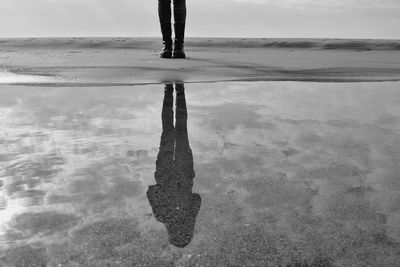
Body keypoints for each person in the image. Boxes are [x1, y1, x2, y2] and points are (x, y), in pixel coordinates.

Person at [147, 83, 201, 248]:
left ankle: (179, 91)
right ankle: (169, 90)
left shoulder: (188, 215)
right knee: (168, 129)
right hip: (165, 172)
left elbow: (196, 198)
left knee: (181, 129)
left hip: (184, 173)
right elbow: (151, 190)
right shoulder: (161, 216)